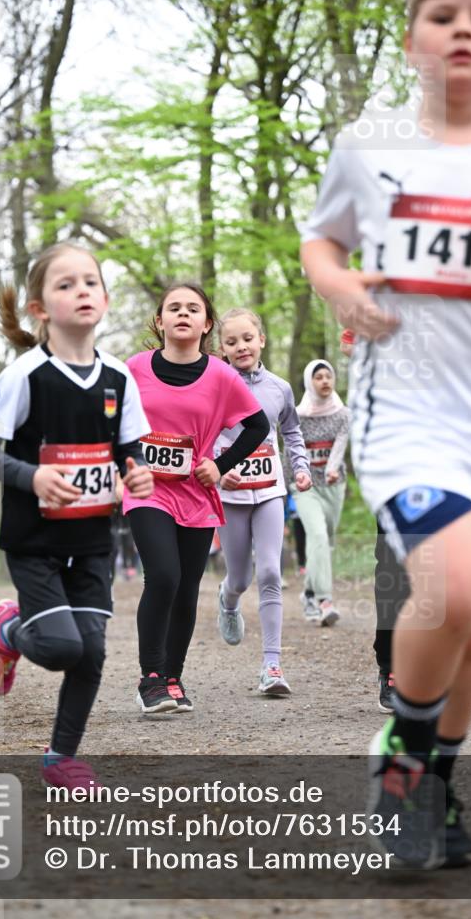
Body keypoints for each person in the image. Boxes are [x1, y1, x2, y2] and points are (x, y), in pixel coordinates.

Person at [301, 0, 471, 868]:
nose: (461, 27)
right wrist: (343, 294)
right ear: (410, 40)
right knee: (452, 588)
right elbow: (322, 241)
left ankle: (436, 789)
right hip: (406, 412)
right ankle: (398, 764)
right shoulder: (370, 147)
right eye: (442, 14)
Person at [0, 242, 153, 793]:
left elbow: (130, 452)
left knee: (91, 651)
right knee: (58, 647)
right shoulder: (27, 375)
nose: (82, 292)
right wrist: (33, 477)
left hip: (95, 536)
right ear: (40, 308)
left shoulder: (119, 378)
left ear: (106, 297)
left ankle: (61, 758)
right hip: (35, 539)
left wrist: (136, 474)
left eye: (90, 282)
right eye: (66, 284)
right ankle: (8, 625)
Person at [341, 331, 471, 716]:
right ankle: (391, 666)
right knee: (398, 560)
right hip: (405, 433)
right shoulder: (398, 284)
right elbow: (353, 340)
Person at [124, 283, 270, 714]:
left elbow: (257, 427)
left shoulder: (221, 376)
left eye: (193, 308)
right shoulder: (134, 369)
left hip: (195, 493)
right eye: (174, 308)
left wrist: (221, 466)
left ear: (207, 323)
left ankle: (173, 677)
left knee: (187, 589)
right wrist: (126, 463)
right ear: (160, 320)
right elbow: (107, 419)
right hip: (148, 491)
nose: (183, 314)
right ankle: (150, 677)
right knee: (164, 576)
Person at [214, 308, 311, 696]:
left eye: (247, 339)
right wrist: (219, 469)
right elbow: (200, 432)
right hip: (230, 492)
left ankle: (272, 665)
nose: (241, 347)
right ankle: (228, 598)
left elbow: (292, 431)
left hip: (270, 489)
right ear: (221, 348)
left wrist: (300, 466)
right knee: (240, 577)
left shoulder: (279, 388)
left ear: (262, 340)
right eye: (232, 341)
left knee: (271, 572)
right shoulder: (214, 385)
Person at [295, 360, 350, 626]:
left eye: (329, 376)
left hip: (333, 484)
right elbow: (291, 451)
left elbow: (339, 446)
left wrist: (332, 470)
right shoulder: (298, 416)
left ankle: (307, 592)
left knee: (324, 543)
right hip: (305, 487)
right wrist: (291, 481)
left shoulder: (343, 414)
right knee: (316, 535)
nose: (325, 381)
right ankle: (324, 600)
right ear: (309, 382)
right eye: (319, 377)